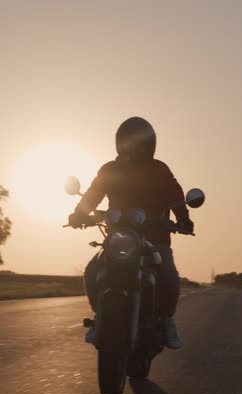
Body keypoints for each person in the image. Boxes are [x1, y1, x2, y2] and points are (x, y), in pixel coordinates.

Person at [68, 117, 193, 349]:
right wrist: (78, 213)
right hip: (117, 238)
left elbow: (175, 194)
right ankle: (101, 318)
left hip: (154, 239)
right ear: (119, 144)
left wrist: (183, 219)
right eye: (129, 144)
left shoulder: (159, 169)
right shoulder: (110, 169)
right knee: (92, 271)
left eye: (140, 144)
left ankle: (166, 320)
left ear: (150, 146)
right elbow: (94, 193)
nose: (134, 149)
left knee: (169, 277)